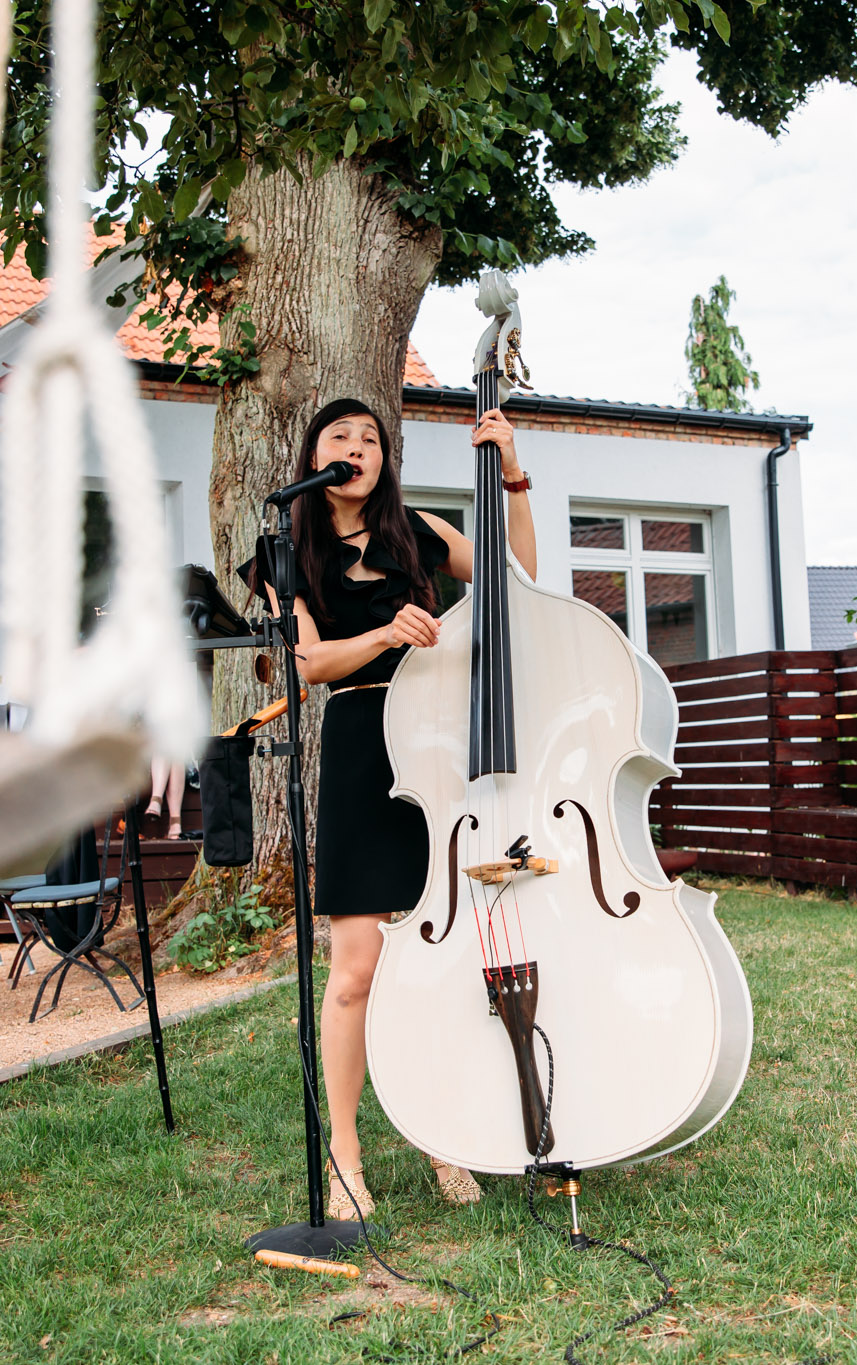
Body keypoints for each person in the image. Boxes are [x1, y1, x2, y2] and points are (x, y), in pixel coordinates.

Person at [242, 395, 537, 1221]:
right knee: (358, 971)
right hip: (361, 750)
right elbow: (308, 664)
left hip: (439, 749)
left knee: (440, 962)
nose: (358, 447)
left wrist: (512, 473)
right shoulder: (286, 548)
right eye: (341, 436)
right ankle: (344, 1154)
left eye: (371, 438)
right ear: (316, 456)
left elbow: (520, 579)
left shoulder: (419, 529)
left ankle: (441, 1133)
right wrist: (384, 635)